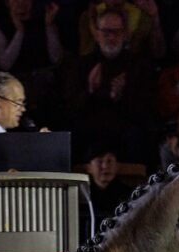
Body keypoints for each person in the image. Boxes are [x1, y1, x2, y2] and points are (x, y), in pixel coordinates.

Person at [67, 8, 155, 164]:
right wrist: (91, 90)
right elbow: (72, 107)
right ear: (97, 34)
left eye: (116, 32)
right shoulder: (82, 65)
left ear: (125, 34)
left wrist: (120, 96)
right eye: (106, 32)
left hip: (125, 128)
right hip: (91, 128)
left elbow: (144, 110)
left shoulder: (137, 65)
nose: (111, 37)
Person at [82, 144, 132, 241]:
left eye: (109, 161)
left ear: (117, 166)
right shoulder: (81, 194)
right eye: (99, 161)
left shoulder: (128, 194)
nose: (105, 166)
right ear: (88, 167)